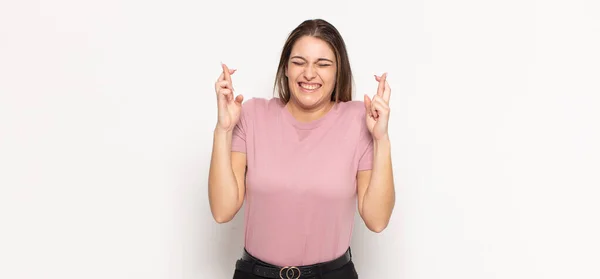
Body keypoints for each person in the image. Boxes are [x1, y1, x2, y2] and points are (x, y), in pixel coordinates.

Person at [208, 19, 395, 279]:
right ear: (286, 68)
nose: (309, 73)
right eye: (299, 62)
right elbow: (222, 210)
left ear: (338, 70)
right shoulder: (252, 115)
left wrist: (381, 139)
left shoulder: (358, 120)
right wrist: (223, 129)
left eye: (323, 64)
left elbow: (377, 220)